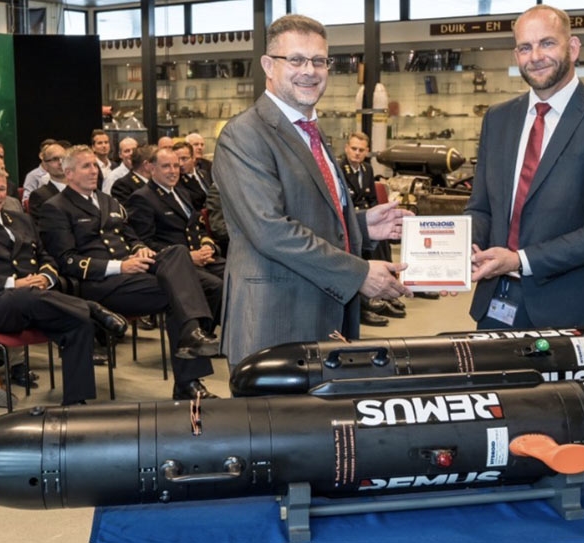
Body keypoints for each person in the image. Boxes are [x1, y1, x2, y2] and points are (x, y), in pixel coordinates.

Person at [212, 14, 411, 368]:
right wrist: (359, 273)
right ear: (268, 65)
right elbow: (271, 231)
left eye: (319, 61)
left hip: (323, 316)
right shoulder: (244, 134)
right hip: (276, 322)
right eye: (296, 60)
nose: (310, 71)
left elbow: (308, 211)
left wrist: (362, 225)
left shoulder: (310, 130)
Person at [465, 5, 584, 330]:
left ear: (572, 47)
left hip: (572, 311)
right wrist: (454, 249)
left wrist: (520, 260)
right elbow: (481, 208)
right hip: (496, 303)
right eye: (525, 47)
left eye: (547, 43)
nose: (535, 57)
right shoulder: (498, 119)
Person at [0, 162, 128, 407]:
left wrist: (46, 277)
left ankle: (76, 402)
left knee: (77, 323)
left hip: (36, 301)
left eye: (2, 189)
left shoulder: (20, 220)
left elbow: (46, 257)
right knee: (26, 294)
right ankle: (89, 307)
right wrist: (13, 283)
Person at [38, 145, 221, 400]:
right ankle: (188, 378)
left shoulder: (107, 201)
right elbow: (66, 261)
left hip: (132, 272)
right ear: (68, 173)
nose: (93, 171)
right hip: (100, 282)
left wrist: (139, 249)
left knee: (178, 253)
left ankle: (191, 344)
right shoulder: (56, 207)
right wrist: (120, 266)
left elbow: (131, 236)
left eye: (94, 165)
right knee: (178, 291)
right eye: (85, 166)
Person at [125, 147, 224, 329]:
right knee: (215, 285)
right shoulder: (142, 198)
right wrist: (188, 257)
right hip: (173, 264)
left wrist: (207, 245)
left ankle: (232, 331)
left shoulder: (181, 192)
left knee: (235, 275)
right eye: (166, 166)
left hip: (199, 257)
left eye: (176, 166)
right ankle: (201, 334)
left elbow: (197, 226)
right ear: (152, 168)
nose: (173, 171)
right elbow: (145, 242)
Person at [339, 132, 404, 326]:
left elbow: (373, 200)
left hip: (366, 216)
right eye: (354, 148)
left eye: (361, 150)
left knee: (381, 241)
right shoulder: (339, 169)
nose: (357, 153)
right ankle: (365, 304)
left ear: (367, 152)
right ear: (346, 148)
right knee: (363, 242)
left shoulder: (367, 169)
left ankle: (385, 290)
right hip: (349, 220)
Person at [25, 143, 67, 224]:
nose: (60, 162)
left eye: (64, 158)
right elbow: (41, 227)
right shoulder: (39, 196)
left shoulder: (79, 190)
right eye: (55, 159)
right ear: (45, 165)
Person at [173, 141, 209, 211]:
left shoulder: (204, 174)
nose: (180, 164)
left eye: (184, 159)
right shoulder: (176, 182)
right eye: (177, 160)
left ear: (193, 158)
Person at [21, 138, 56, 205]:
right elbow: (26, 201)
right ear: (41, 155)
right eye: (49, 153)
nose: (52, 156)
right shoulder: (33, 175)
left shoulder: (62, 174)